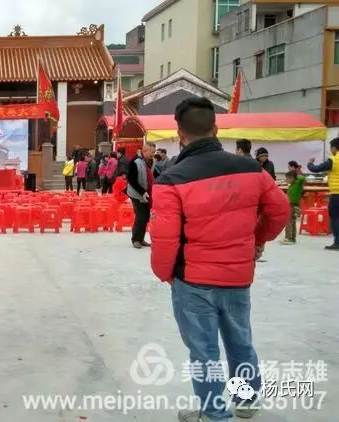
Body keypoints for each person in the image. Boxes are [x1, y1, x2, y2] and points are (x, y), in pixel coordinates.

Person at [151, 97, 289, 422]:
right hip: (237, 277)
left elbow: (164, 238)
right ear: (216, 128)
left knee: (204, 351)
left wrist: (166, 273)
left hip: (193, 280)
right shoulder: (252, 169)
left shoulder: (172, 179)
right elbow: (280, 210)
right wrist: (256, 240)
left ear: (180, 134)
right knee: (240, 341)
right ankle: (245, 400)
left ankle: (214, 413)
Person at [308, 137, 339, 250]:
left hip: (336, 193)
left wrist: (310, 163)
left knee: (335, 217)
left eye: (331, 148)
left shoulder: (333, 160)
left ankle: (337, 242)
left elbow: (315, 169)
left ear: (334, 147)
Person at [127, 142, 156, 249]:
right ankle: (135, 239)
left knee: (145, 216)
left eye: (154, 152)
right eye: (152, 152)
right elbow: (131, 180)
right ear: (145, 151)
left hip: (146, 192)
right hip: (136, 193)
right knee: (140, 216)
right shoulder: (135, 161)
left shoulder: (150, 161)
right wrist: (142, 192)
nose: (153, 154)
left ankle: (141, 239)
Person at [281, 170, 305, 245]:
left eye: (288, 178)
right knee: (292, 221)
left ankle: (288, 238)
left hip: (293, 205)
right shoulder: (292, 185)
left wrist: (296, 175)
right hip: (291, 204)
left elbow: (302, 178)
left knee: (289, 221)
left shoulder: (298, 183)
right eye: (286, 178)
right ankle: (292, 238)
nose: (287, 180)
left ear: (293, 178)